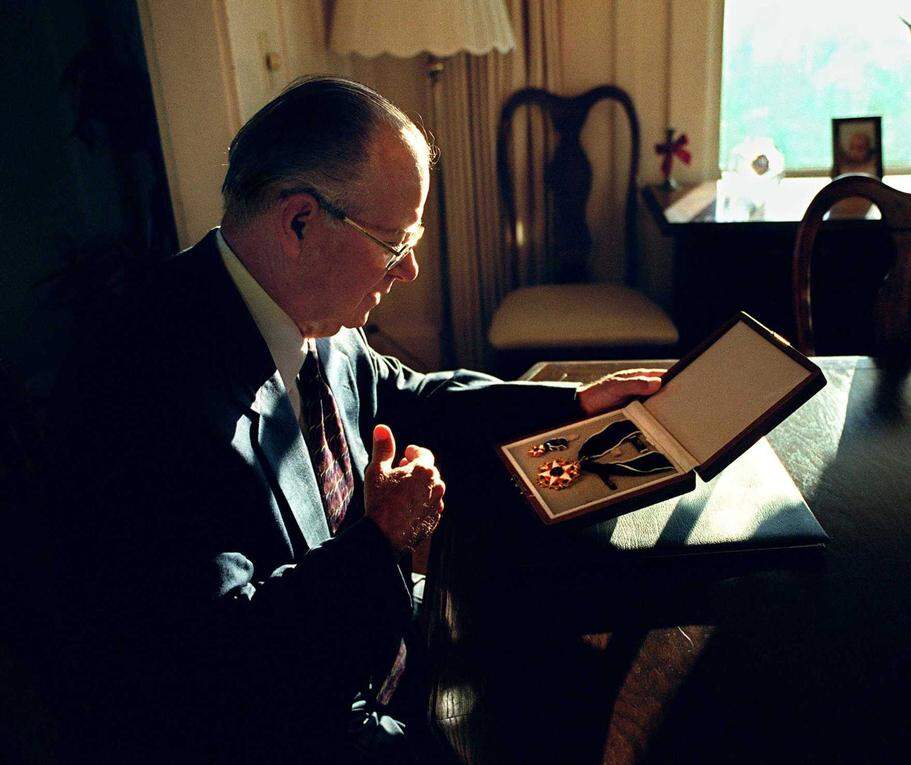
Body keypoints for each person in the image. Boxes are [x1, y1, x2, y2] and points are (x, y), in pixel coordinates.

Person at [46, 76, 659, 762]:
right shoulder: (140, 393)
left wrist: (572, 403)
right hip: (289, 726)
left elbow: (408, 394)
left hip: (377, 649)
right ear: (300, 222)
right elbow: (228, 663)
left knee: (561, 662)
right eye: (394, 241)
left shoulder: (306, 308)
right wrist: (386, 536)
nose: (411, 269)